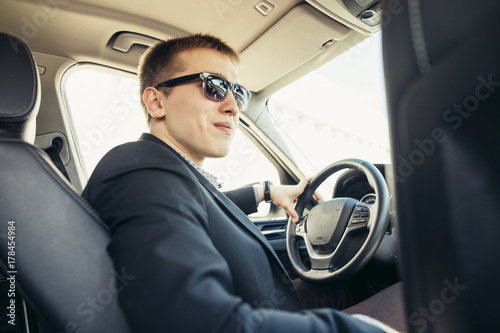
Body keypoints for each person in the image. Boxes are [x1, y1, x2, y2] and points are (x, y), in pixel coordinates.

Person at [82, 33, 402, 332]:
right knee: (430, 294)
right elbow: (195, 321)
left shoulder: (163, 170)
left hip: (266, 305)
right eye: (213, 87)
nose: (233, 107)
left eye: (238, 93)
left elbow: (197, 206)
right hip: (250, 317)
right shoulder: (141, 171)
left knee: (340, 284)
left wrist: (265, 192)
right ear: (156, 102)